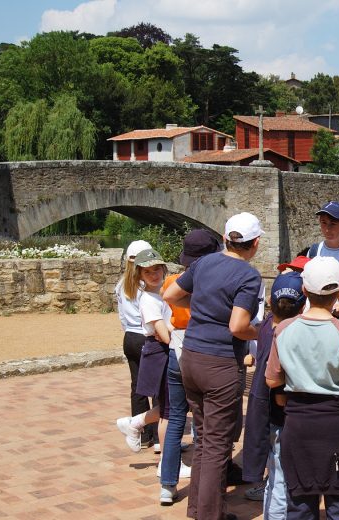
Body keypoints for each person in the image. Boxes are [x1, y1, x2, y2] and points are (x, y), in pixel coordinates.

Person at [163, 212, 264, 520]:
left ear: (225, 238)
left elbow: (170, 295)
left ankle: (199, 508)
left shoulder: (205, 263)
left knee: (205, 438)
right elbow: (238, 326)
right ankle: (210, 514)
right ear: (256, 244)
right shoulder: (249, 276)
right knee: (218, 444)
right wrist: (263, 332)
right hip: (219, 363)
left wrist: (205, 306)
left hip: (190, 357)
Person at [265, 256, 339, 520]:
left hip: (297, 424)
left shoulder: (285, 329)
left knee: (300, 504)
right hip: (336, 425)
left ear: (304, 291)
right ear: (338, 293)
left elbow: (272, 380)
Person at [159, 229, 221, 505]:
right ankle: (204, 485)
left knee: (175, 419)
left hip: (176, 350)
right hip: (202, 350)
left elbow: (168, 317)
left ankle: (167, 484)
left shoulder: (171, 282)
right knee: (205, 422)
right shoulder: (211, 282)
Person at [241, 257, 310, 501]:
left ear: (271, 301)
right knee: (280, 466)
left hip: (263, 404)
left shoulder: (267, 325)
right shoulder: (293, 332)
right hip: (281, 407)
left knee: (273, 461)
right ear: (302, 306)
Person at [256, 272, 306, 518]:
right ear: (303, 305)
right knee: (283, 480)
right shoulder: (289, 335)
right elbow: (280, 392)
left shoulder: (266, 327)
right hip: (286, 416)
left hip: (271, 417)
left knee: (275, 476)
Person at [116, 249, 172, 455]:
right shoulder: (148, 299)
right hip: (157, 348)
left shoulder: (162, 293)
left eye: (157, 270)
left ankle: (137, 424)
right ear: (139, 274)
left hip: (144, 339)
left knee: (170, 403)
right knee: (167, 403)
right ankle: (162, 451)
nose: (154, 275)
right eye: (148, 272)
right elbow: (163, 333)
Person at [116, 239, 157, 448]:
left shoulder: (121, 284)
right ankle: (159, 438)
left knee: (138, 387)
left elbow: (122, 316)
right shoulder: (146, 285)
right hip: (144, 336)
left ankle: (144, 434)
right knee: (159, 387)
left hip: (130, 337)